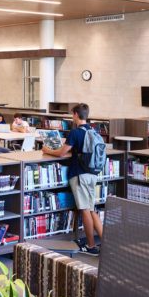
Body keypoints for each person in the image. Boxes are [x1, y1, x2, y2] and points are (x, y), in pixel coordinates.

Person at [41, 103, 103, 256]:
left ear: (75, 114)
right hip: (93, 173)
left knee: (84, 210)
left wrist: (46, 150)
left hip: (79, 174)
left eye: (72, 114)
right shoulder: (93, 131)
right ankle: (107, 244)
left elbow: (62, 153)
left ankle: (90, 245)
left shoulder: (75, 132)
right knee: (91, 209)